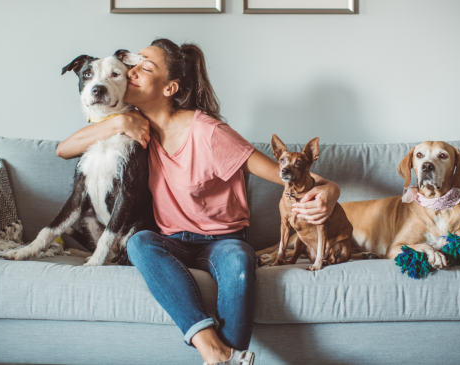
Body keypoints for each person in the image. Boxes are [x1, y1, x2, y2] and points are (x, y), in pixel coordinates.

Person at [56, 39, 340, 365]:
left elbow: (284, 175)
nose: (131, 71)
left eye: (144, 67)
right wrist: (118, 122)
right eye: (133, 65)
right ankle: (214, 350)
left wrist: (331, 189)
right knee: (139, 243)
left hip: (222, 241)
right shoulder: (133, 125)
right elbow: (64, 149)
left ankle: (222, 358)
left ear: (169, 88)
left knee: (239, 262)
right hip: (170, 241)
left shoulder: (208, 132)